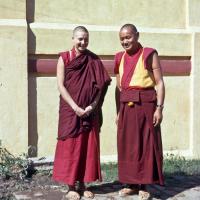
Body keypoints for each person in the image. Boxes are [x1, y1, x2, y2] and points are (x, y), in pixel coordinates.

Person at [52, 26, 111, 200]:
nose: (83, 42)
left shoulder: (93, 59)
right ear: (73, 39)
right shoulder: (64, 58)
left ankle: (83, 184)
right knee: (70, 147)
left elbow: (101, 85)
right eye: (79, 39)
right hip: (70, 111)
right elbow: (61, 85)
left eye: (85, 39)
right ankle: (71, 186)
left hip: (89, 112)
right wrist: (75, 108)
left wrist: (92, 106)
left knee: (86, 146)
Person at [115, 24, 165, 200]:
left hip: (145, 105)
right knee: (127, 146)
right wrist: (118, 112)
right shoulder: (119, 57)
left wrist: (159, 108)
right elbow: (118, 87)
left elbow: (159, 83)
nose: (125, 41)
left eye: (128, 37)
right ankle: (130, 183)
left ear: (137, 35)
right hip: (126, 107)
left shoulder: (149, 54)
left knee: (145, 144)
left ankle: (144, 184)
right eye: (122, 38)